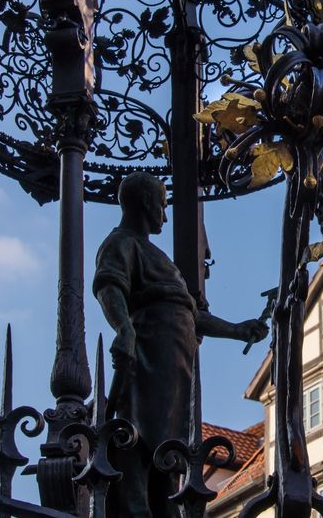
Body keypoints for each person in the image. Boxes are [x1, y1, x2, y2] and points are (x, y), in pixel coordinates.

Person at [94, 172, 269, 517]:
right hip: (150, 349)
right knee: (139, 429)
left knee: (168, 438)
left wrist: (237, 329)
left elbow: (191, 313)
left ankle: (162, 504)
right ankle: (134, 504)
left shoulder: (155, 255)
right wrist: (124, 330)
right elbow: (109, 287)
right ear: (146, 203)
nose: (165, 213)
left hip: (175, 357)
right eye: (162, 204)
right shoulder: (122, 243)